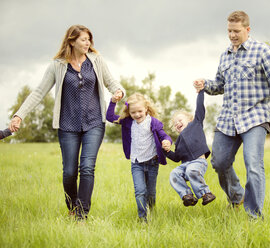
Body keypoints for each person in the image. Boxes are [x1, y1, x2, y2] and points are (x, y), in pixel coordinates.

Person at [9, 25, 125, 221]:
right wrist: (19, 115)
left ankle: (81, 215)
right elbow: (39, 92)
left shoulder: (96, 60)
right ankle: (72, 209)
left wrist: (119, 91)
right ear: (71, 41)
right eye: (83, 39)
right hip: (67, 125)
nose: (87, 43)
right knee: (69, 172)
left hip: (94, 122)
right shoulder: (57, 65)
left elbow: (112, 82)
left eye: (89, 39)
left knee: (87, 167)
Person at [193, 11, 270, 219]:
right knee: (219, 162)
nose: (232, 35)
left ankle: (254, 216)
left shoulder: (262, 51)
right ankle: (237, 196)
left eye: (236, 31)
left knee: (253, 164)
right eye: (229, 31)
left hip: (255, 117)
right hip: (228, 118)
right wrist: (206, 85)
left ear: (247, 29)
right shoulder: (225, 55)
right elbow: (220, 85)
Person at [106, 92, 172, 222]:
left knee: (151, 193)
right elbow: (110, 117)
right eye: (133, 112)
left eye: (140, 111)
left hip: (152, 162)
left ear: (146, 108)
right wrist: (113, 102)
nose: (137, 115)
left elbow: (165, 136)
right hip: (136, 163)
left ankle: (151, 211)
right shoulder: (128, 122)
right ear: (129, 112)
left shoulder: (153, 122)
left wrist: (167, 142)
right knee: (140, 191)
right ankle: (143, 219)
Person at [162, 90, 216, 207]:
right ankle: (188, 196)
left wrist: (200, 93)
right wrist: (166, 151)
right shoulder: (179, 141)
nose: (177, 123)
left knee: (191, 170)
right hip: (185, 165)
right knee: (174, 174)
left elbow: (200, 108)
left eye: (180, 120)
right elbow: (176, 158)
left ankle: (206, 193)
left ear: (190, 119)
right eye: (175, 124)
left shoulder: (195, 124)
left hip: (198, 162)